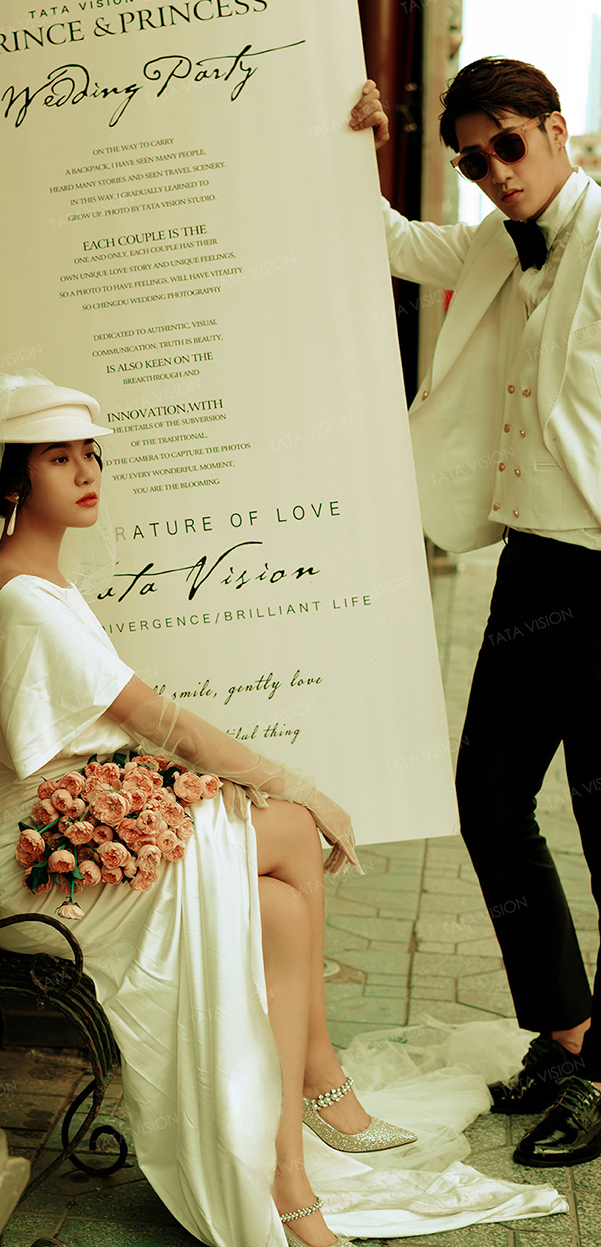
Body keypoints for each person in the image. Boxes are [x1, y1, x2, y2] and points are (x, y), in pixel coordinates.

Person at [0, 369, 565, 1245]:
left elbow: (126, 731)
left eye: (91, 453)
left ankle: (287, 1171)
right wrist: (298, 787)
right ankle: (320, 1087)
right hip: (34, 858)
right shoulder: (27, 600)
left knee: (280, 908)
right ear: (16, 479)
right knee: (290, 826)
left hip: (69, 824)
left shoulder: (39, 582)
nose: (88, 472)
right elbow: (159, 720)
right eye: (60, 458)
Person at [351, 58, 601, 1167]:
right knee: (488, 797)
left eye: (508, 143)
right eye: (471, 159)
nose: (494, 171)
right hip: (535, 563)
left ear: (556, 130)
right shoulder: (500, 244)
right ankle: (567, 1030)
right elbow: (387, 241)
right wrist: (348, 140)